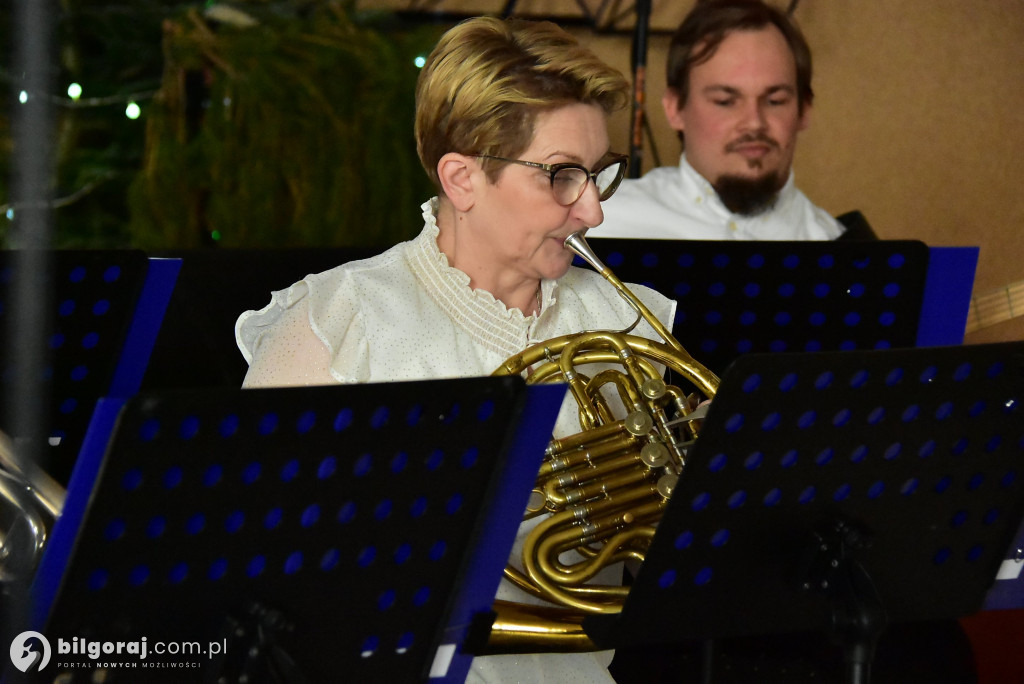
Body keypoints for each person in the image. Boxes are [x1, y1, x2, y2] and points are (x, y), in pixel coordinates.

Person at [235, 15, 676, 684]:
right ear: (462, 179)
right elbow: (252, 571)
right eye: (561, 176)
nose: (594, 211)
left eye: (599, 174)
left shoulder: (629, 322)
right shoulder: (337, 321)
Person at [595, 0, 859, 241]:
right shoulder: (598, 223)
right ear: (674, 108)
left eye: (775, 101)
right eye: (725, 101)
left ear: (804, 110)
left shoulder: (838, 245)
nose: (754, 122)